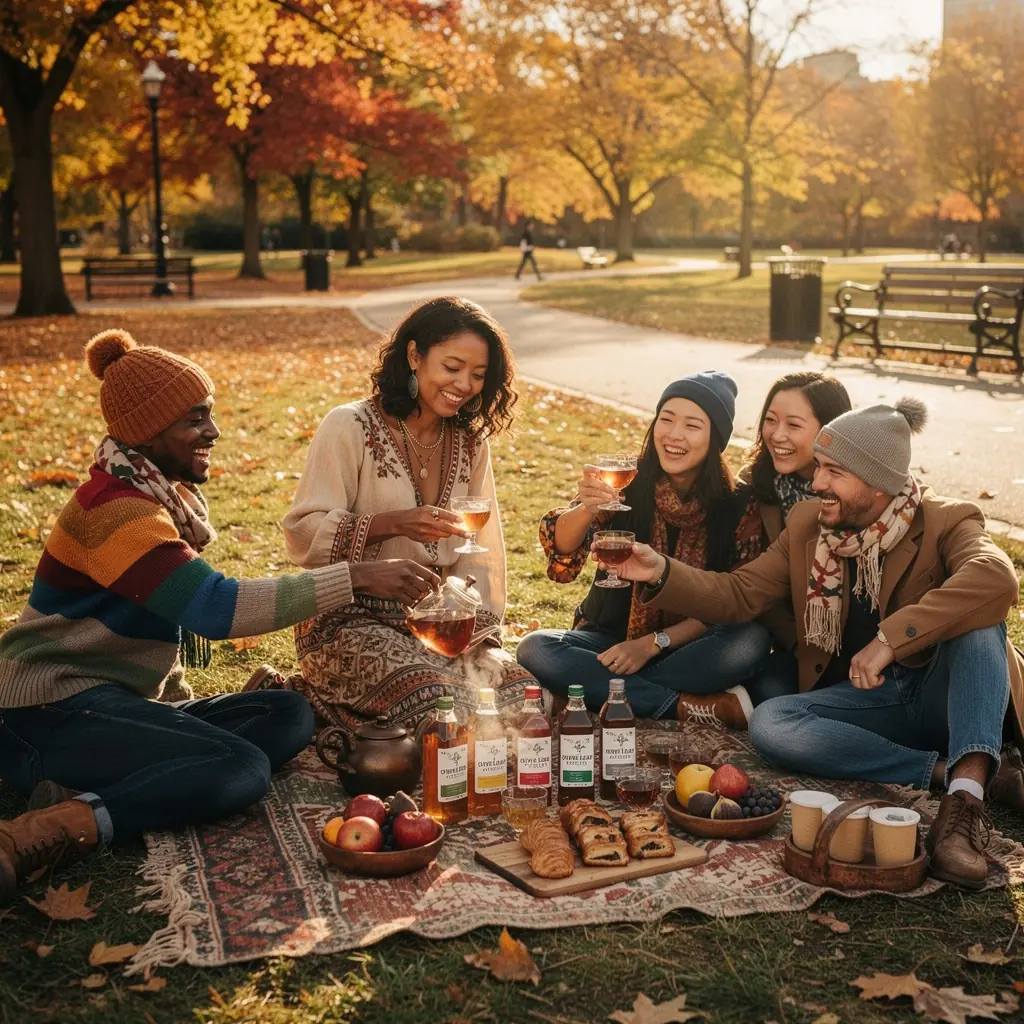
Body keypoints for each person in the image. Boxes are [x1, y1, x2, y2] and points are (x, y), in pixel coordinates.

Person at [0, 330, 438, 901]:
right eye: (195, 419)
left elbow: (166, 618)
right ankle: (46, 829)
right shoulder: (115, 510)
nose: (214, 430)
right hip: (45, 712)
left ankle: (92, 778)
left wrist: (174, 712)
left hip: (110, 702)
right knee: (240, 767)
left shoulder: (155, 497)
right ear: (147, 432)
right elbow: (214, 608)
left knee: (288, 714)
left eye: (209, 413)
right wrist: (353, 576)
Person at [600, 397, 1024, 889]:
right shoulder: (809, 524)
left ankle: (963, 806)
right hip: (875, 701)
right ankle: (951, 772)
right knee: (772, 722)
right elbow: (741, 592)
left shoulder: (947, 520)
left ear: (878, 481)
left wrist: (890, 639)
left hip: (946, 692)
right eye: (819, 467)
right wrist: (661, 570)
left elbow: (996, 578)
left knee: (979, 620)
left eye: (834, 472)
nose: (818, 482)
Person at [281, 296, 536, 733]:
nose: (465, 384)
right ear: (415, 355)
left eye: (478, 375)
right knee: (445, 709)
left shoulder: (470, 443)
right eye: (452, 367)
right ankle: (305, 695)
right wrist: (393, 523)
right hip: (348, 617)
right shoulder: (350, 425)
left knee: (525, 698)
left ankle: (361, 710)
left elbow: (480, 553)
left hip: (441, 622)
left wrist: (478, 638)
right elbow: (302, 534)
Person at [516, 372, 770, 725]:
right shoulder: (624, 480)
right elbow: (562, 555)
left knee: (750, 641)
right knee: (536, 647)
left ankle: (588, 693)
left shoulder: (739, 504)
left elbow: (733, 603)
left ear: (715, 439)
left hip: (689, 647)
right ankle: (681, 706)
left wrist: (651, 644)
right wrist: (586, 509)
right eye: (666, 419)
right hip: (608, 641)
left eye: (692, 425)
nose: (674, 434)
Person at [743, 372, 852, 704]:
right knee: (768, 690)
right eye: (770, 420)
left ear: (829, 431)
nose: (777, 435)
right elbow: (749, 583)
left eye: (793, 425)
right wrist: (798, 641)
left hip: (857, 642)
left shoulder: (858, 491)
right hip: (794, 640)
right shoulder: (755, 485)